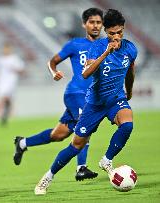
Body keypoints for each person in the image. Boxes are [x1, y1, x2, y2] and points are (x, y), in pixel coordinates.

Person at [34, 9, 137, 195]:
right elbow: (85, 73)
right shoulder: (97, 47)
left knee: (127, 124)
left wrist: (129, 92)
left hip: (116, 99)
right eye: (112, 33)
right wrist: (106, 52)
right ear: (106, 31)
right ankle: (48, 177)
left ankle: (107, 159)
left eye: (119, 32)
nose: (116, 36)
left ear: (123, 29)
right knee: (76, 145)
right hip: (95, 103)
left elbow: (130, 72)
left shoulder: (130, 48)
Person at [13, 8, 103, 181]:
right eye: (92, 22)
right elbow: (52, 61)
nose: (95, 25)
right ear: (84, 24)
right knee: (86, 124)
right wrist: (54, 72)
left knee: (58, 135)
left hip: (91, 97)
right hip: (75, 93)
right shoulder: (75, 44)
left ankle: (22, 143)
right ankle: (81, 168)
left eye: (99, 22)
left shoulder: (104, 46)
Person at [0, 42, 25, 126]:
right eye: (4, 48)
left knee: (5, 98)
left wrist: (15, 70)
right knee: (6, 99)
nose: (5, 50)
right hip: (1, 82)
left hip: (11, 81)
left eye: (7, 48)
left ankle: (3, 115)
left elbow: (21, 70)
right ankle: (5, 115)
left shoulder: (14, 59)